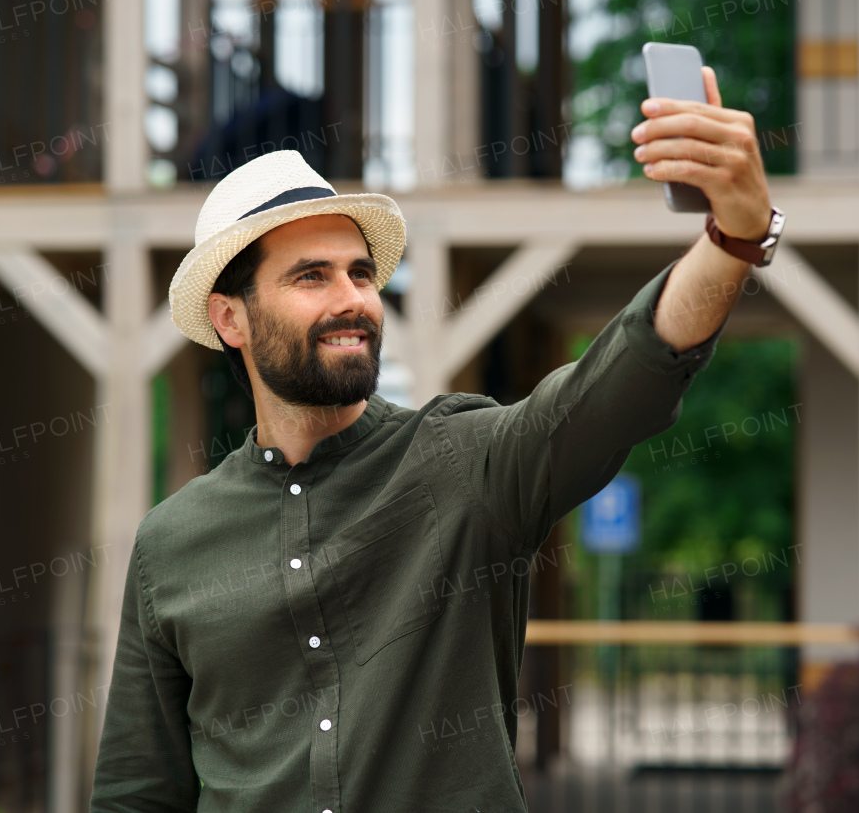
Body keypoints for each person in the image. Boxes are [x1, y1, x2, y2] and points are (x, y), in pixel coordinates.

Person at [90, 67, 781, 812]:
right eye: (311, 277)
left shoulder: (464, 464)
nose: (354, 299)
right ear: (231, 319)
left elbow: (616, 387)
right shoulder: (170, 544)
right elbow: (136, 791)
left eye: (362, 274)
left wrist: (733, 238)